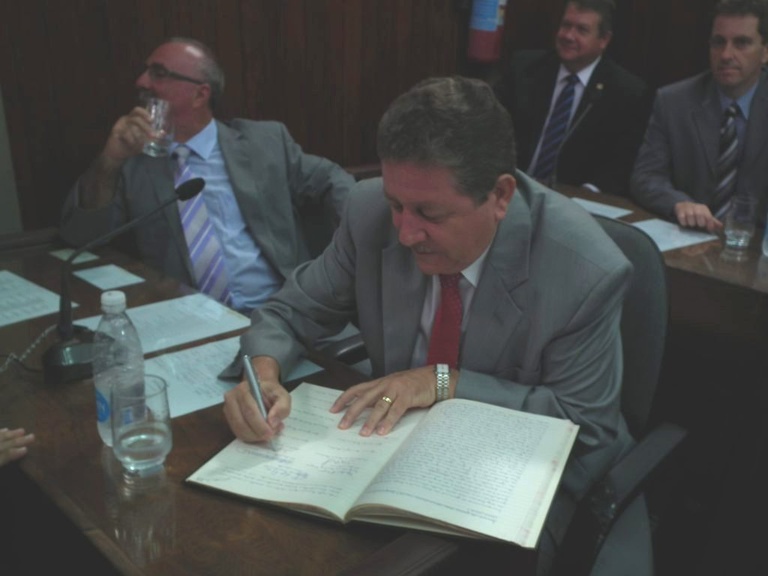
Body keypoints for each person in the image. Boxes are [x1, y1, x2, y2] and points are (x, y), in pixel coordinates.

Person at [223, 76, 650, 575]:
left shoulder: (583, 271)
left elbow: (583, 423)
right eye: (397, 205)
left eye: (429, 213)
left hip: (527, 480)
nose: (406, 233)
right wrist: (262, 374)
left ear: (500, 195)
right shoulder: (367, 212)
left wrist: (442, 381)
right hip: (393, 459)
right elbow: (289, 311)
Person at [60, 37, 355, 315]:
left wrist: (365, 232)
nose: (142, 82)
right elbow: (80, 237)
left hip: (283, 309)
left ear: (200, 94)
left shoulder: (264, 142)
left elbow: (333, 180)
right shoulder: (133, 162)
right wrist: (110, 159)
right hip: (190, 319)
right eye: (145, 71)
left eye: (158, 73)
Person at [630, 0, 768, 233]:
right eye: (718, 42)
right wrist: (678, 203)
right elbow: (646, 176)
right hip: (688, 239)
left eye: (741, 43)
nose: (726, 55)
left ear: (765, 52)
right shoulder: (674, 101)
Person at [493, 0, 649, 196]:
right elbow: (492, 126)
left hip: (575, 200)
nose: (568, 36)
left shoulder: (626, 92)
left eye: (581, 30)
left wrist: (584, 196)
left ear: (604, 40)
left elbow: (620, 165)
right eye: (566, 25)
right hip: (512, 188)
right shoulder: (525, 68)